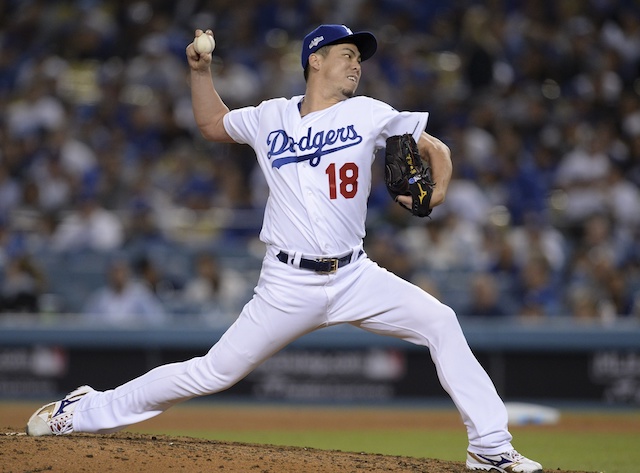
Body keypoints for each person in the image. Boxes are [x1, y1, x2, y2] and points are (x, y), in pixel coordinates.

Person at [26, 24, 543, 473]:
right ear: (314, 60)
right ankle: (83, 411)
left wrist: (442, 186)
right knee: (213, 372)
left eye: (360, 59)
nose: (356, 65)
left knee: (440, 322)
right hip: (288, 283)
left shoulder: (369, 112)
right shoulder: (270, 116)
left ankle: (491, 449)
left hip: (355, 276)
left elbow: (436, 147)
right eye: (347, 55)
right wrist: (201, 72)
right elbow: (211, 124)